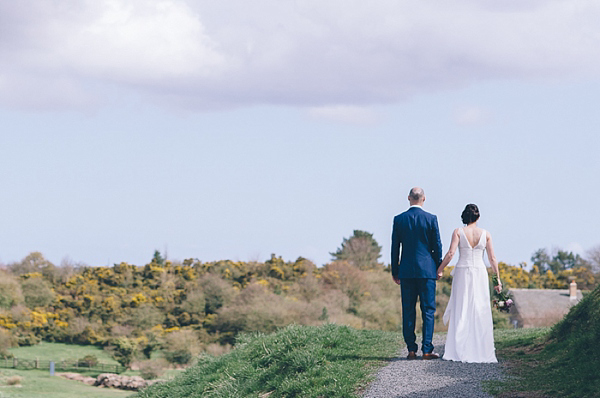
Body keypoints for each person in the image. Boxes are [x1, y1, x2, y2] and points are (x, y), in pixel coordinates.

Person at [437, 204, 502, 363]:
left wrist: (439, 269)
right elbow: (492, 259)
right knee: (479, 307)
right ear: (478, 217)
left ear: (464, 217)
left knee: (462, 307)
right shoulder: (485, 234)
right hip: (479, 272)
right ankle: (480, 348)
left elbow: (451, 253)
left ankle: (458, 348)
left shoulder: (458, 232)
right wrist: (497, 279)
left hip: (462, 272)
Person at [391, 187, 443, 360]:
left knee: (408, 310)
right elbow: (437, 245)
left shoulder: (399, 219)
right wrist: (438, 267)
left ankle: (411, 350)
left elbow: (395, 248)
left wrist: (395, 271)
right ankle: (427, 349)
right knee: (428, 310)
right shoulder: (431, 219)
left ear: (408, 198)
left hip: (406, 270)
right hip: (427, 270)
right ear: (424, 199)